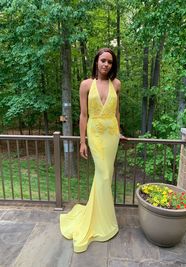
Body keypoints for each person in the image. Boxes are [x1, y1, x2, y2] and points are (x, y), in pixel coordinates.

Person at [60, 47, 122, 253]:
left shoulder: (117, 84)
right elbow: (84, 115)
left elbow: (117, 111)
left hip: (111, 134)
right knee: (104, 174)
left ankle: (102, 217)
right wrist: (82, 141)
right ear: (96, 61)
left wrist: (119, 132)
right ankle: (101, 221)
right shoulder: (86, 84)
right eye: (103, 60)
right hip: (95, 134)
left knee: (105, 175)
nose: (106, 64)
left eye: (110, 62)